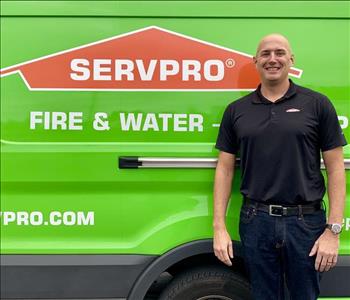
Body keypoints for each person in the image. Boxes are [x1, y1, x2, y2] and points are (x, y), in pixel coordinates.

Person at [213, 33, 347, 300]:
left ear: (291, 60)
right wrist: (219, 227)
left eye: (279, 53)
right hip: (255, 221)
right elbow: (225, 169)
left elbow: (335, 168)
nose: (272, 59)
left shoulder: (317, 104)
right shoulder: (236, 110)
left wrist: (333, 231)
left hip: (306, 223)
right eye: (265, 54)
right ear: (255, 61)